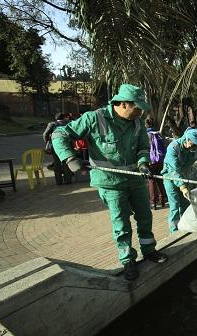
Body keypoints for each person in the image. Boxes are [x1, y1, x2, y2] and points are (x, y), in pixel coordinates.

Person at [52, 84, 168, 281]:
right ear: (123, 104)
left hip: (136, 179)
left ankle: (149, 250)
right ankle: (127, 259)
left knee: (145, 216)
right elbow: (60, 134)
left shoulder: (137, 122)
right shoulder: (94, 118)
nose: (140, 112)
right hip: (110, 182)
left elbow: (142, 146)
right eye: (137, 107)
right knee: (121, 223)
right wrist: (69, 158)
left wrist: (142, 163)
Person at [43, 113, 73, 185]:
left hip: (55, 146)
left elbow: (45, 134)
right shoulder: (68, 123)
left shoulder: (52, 124)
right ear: (63, 118)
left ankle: (58, 181)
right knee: (66, 162)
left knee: (57, 163)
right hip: (67, 145)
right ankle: (68, 180)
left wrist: (47, 141)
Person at [146, 116, 167, 209]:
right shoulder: (158, 134)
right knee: (160, 180)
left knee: (151, 181)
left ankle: (153, 202)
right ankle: (163, 199)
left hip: (150, 162)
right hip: (160, 161)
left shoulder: (145, 135)